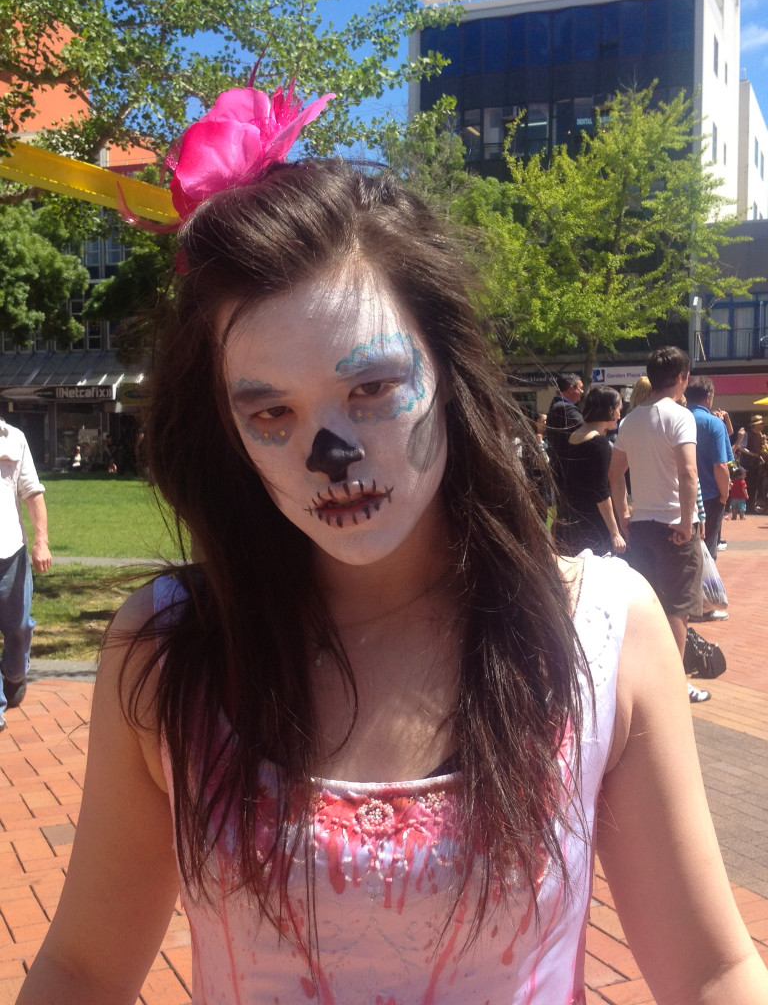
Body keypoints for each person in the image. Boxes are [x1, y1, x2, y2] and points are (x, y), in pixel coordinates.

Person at [16, 84, 768, 1005]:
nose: (331, 456)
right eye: (270, 412)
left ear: (445, 372)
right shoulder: (169, 653)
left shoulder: (602, 632)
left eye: (370, 387)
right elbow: (85, 970)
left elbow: (712, 971)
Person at [608, 347, 712, 705]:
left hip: (642, 525)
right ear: (682, 378)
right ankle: (673, 688)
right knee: (677, 608)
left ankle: (648, 681)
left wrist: (624, 514)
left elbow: (614, 474)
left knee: (650, 604)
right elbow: (688, 472)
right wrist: (686, 520)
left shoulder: (630, 420)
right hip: (674, 526)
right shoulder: (680, 417)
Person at [0, 417, 52, 733]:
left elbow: (33, 493)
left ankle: (15, 674)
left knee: (18, 628)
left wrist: (41, 542)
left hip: (11, 554)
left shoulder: (14, 438)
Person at [557, 386, 625, 556]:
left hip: (571, 521)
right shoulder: (599, 444)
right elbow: (600, 491)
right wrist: (615, 532)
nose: (619, 415)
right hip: (594, 525)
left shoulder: (571, 438)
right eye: (619, 409)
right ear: (610, 409)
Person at [684, 376, 730, 564]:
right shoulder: (714, 423)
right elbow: (721, 465)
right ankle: (706, 591)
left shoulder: (677, 419)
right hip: (710, 497)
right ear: (708, 396)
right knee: (707, 551)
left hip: (680, 494)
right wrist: (724, 494)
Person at [544, 372, 583, 487]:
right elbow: (586, 430)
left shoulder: (557, 406)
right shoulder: (566, 408)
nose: (582, 392)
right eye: (580, 388)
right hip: (568, 470)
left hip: (560, 468)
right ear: (571, 388)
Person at [739, 414, 767, 512]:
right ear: (755, 425)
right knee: (747, 485)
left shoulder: (761, 435)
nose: (762, 426)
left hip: (756, 465)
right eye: (760, 424)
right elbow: (741, 447)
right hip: (747, 464)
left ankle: (751, 506)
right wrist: (753, 454)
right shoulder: (748, 434)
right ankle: (746, 507)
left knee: (755, 486)